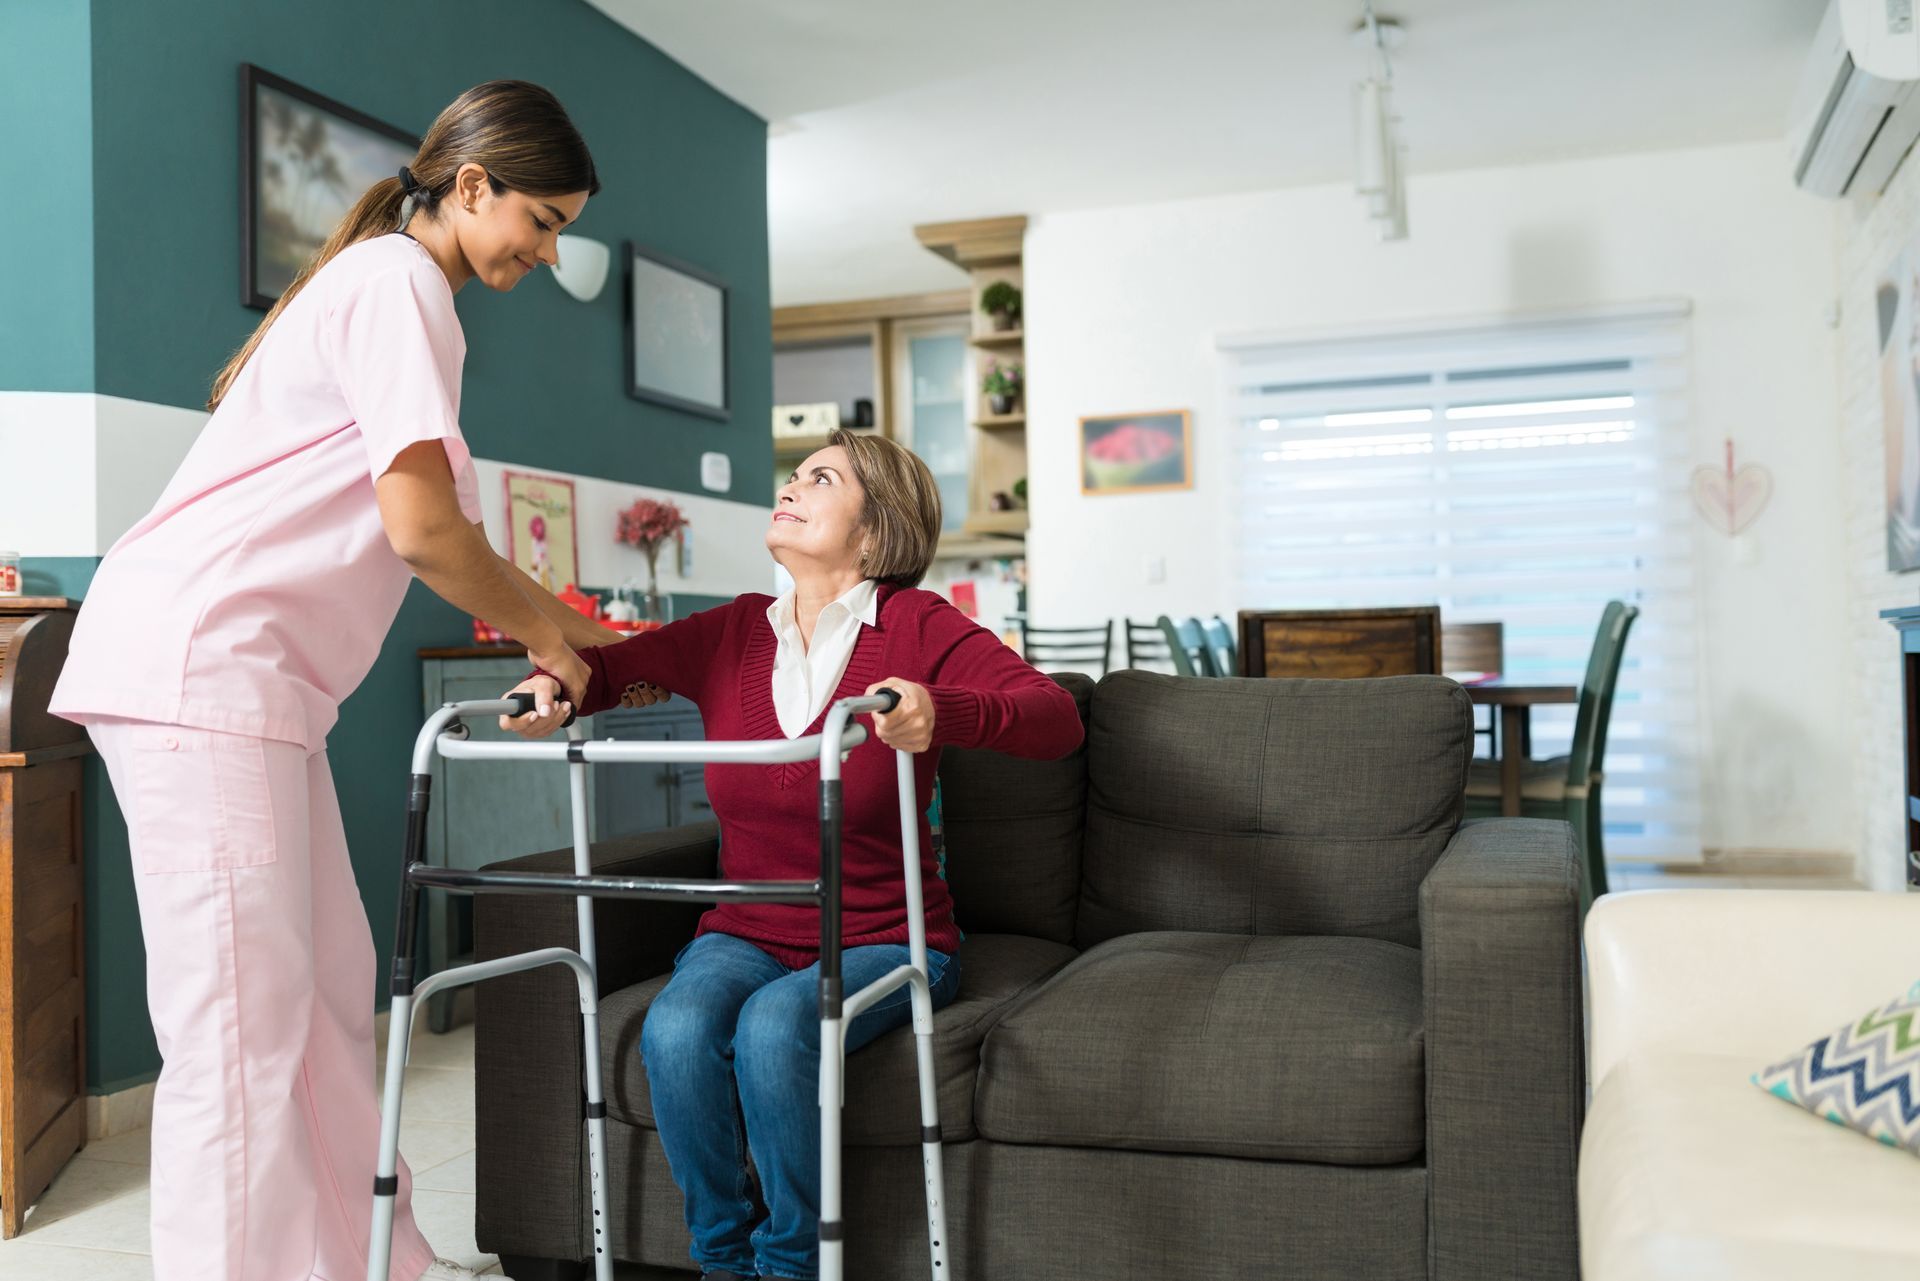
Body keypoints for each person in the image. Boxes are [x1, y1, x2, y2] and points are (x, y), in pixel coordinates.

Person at [47, 80, 643, 1281]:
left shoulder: (401, 292)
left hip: (256, 692)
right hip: (198, 670)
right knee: (239, 1035)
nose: (546, 248)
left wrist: (553, 634)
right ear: (471, 185)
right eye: (543, 217)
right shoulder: (396, 283)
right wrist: (566, 640)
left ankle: (377, 1263)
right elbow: (426, 535)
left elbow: (443, 542)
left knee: (323, 1007)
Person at [502, 430, 1084, 1281]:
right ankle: (722, 1262)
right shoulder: (734, 630)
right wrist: (556, 687)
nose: (792, 486)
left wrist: (940, 711)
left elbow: (1054, 716)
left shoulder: (918, 625)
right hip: (745, 929)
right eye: (795, 474)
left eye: (822, 478)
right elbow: (607, 670)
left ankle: (791, 1266)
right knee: (675, 1027)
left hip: (885, 931)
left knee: (778, 1028)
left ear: (876, 532)